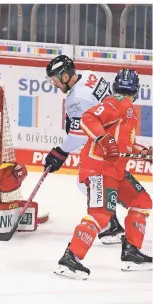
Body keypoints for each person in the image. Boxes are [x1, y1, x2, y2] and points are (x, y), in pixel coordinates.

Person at [54, 68, 152, 280]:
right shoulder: (114, 103)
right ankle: (70, 259)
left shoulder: (128, 111)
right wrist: (103, 140)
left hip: (116, 171)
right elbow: (88, 118)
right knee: (101, 213)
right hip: (98, 169)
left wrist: (143, 152)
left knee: (141, 201)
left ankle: (131, 252)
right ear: (137, 89)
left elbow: (126, 144)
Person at [44, 55, 125, 245]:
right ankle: (112, 208)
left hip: (105, 142)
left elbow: (79, 136)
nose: (54, 84)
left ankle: (110, 223)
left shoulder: (76, 98)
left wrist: (60, 153)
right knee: (98, 180)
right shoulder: (89, 75)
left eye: (55, 79)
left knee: (88, 181)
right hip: (118, 132)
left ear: (65, 77)